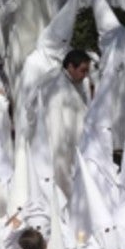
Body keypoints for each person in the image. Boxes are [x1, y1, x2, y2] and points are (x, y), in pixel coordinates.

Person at [41, 49, 92, 199]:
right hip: (62, 149)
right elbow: (56, 129)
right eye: (83, 71)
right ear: (70, 67)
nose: (85, 75)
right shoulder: (57, 89)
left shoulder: (78, 84)